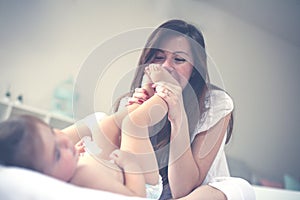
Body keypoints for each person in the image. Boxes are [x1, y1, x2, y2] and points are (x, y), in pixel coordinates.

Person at [112, 19, 255, 200]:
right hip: (152, 192)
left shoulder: (216, 103)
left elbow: (183, 190)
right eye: (159, 57)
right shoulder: (132, 102)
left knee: (239, 187)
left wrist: (177, 116)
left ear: (194, 69)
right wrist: (138, 117)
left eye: (179, 59)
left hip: (197, 193)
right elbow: (131, 178)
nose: (165, 67)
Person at [0, 65, 185, 199]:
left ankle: (146, 95)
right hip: (143, 181)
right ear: (47, 177)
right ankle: (169, 93)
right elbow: (136, 196)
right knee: (133, 124)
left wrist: (76, 155)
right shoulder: (83, 178)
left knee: (108, 124)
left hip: (111, 163)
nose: (65, 142)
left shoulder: (69, 170)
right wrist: (131, 165)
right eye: (57, 154)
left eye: (53, 133)